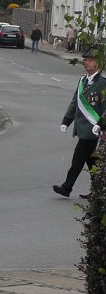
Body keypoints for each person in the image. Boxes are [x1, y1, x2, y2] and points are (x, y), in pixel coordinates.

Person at [54, 48, 106, 199]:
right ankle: (98, 190)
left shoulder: (102, 83)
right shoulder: (83, 81)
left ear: (98, 63)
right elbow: (74, 102)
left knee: (78, 158)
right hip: (83, 128)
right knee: (91, 161)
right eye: (85, 60)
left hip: (93, 130)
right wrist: (66, 121)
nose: (86, 63)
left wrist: (102, 123)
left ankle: (67, 187)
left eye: (89, 60)